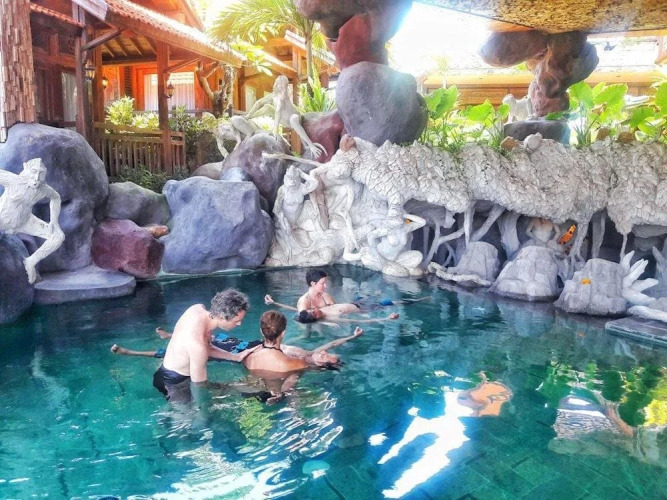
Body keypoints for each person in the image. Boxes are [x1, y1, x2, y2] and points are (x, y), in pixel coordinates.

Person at [152, 289, 251, 403]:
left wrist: (235, 357)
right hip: (175, 385)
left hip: (164, 372)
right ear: (221, 317)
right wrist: (204, 411)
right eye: (236, 321)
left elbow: (204, 347)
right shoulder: (198, 346)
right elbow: (199, 387)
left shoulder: (196, 309)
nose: (239, 324)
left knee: (230, 388)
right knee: (195, 412)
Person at [113, 325, 364, 370]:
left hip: (242, 355)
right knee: (215, 336)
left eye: (326, 357)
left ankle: (131, 352)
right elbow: (332, 342)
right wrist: (351, 337)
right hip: (249, 345)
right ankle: (172, 334)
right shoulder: (308, 354)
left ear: (322, 365)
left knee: (199, 351)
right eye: (327, 352)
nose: (324, 352)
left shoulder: (299, 365)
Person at [265, 268, 399, 323]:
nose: (325, 286)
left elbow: (337, 309)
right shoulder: (304, 302)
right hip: (359, 309)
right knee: (388, 302)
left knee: (370, 297)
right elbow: (304, 318)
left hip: (355, 305)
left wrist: (274, 303)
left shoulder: (325, 295)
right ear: (313, 283)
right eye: (322, 283)